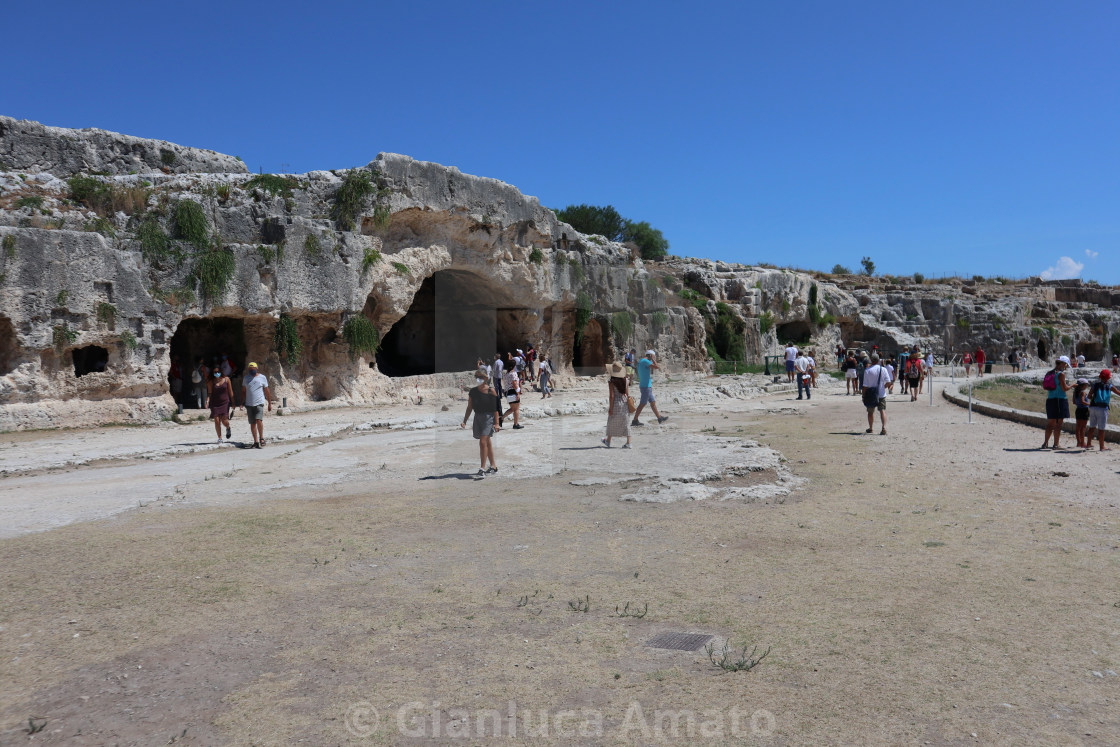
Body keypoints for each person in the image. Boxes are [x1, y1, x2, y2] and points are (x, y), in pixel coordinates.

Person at [460, 368, 500, 475]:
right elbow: (469, 407)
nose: (478, 379)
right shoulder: (473, 392)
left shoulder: (491, 391)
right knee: (487, 442)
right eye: (477, 377)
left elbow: (496, 409)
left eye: (481, 377)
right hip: (477, 418)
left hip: (489, 419)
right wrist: (464, 421)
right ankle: (493, 466)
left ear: (486, 378)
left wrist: (497, 423)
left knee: (482, 442)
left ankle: (482, 468)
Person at [1041, 356, 1072, 449]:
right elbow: (1064, 388)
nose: (1066, 367)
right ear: (1063, 364)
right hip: (1060, 400)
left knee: (1050, 423)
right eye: (1066, 365)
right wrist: (1072, 385)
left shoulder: (1049, 373)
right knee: (1058, 424)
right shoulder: (1061, 374)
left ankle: (1045, 443)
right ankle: (1056, 444)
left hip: (1050, 399)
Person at [1086, 369, 1120, 451]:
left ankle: (1088, 443)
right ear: (1108, 377)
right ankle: (1102, 446)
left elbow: (1089, 396)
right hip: (1103, 408)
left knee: (1092, 427)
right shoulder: (1109, 385)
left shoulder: (1095, 385)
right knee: (1101, 428)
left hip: (1093, 407)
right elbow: (1118, 392)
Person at [632, 350, 668, 426]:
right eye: (653, 356)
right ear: (651, 355)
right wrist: (654, 360)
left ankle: (659, 418)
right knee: (642, 403)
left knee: (652, 402)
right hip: (646, 386)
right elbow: (657, 367)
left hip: (645, 385)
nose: (654, 357)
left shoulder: (641, 361)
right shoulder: (645, 361)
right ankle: (635, 420)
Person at [602, 362, 632, 449]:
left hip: (615, 402)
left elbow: (611, 396)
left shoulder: (611, 382)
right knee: (626, 422)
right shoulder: (626, 380)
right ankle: (628, 443)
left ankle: (608, 441)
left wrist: (610, 408)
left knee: (611, 421)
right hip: (624, 401)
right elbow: (627, 393)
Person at [242, 362, 272, 449]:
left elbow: (267, 390)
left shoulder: (262, 378)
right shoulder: (246, 378)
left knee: (259, 420)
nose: (252, 371)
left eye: (253, 369)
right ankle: (255, 441)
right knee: (252, 423)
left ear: (257, 368)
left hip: (259, 403)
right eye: (251, 370)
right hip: (249, 404)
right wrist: (241, 402)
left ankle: (261, 438)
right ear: (248, 370)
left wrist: (270, 403)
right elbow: (243, 391)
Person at [862, 353, 890, 435]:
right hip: (881, 394)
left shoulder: (867, 370)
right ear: (878, 360)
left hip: (870, 394)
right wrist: (883, 387)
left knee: (870, 412)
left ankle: (871, 428)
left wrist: (863, 395)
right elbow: (888, 382)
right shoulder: (883, 369)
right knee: (882, 411)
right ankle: (884, 427)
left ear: (871, 360)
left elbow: (865, 386)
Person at [209, 368, 236, 444]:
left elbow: (230, 391)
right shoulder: (211, 381)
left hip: (225, 403)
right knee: (217, 421)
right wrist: (207, 401)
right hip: (215, 403)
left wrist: (233, 402)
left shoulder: (227, 379)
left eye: (218, 372)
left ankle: (228, 427)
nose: (216, 373)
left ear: (221, 372)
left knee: (224, 421)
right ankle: (220, 438)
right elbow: (209, 393)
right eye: (215, 372)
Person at [503, 363, 523, 429]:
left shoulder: (506, 374)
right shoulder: (513, 373)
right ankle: (516, 424)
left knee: (512, 409)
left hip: (508, 392)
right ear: (514, 366)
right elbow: (514, 383)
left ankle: (501, 418)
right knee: (516, 409)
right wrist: (518, 393)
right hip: (513, 391)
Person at [1073, 378, 1091, 448]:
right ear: (1083, 385)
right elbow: (1082, 401)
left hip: (1078, 410)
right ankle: (1083, 442)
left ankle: (1078, 442)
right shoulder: (1083, 392)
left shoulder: (1075, 392)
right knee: (1083, 427)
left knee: (1078, 427)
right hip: (1084, 410)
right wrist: (1089, 404)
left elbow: (1074, 402)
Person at [492, 353, 505, 424]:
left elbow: (494, 369)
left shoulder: (496, 362)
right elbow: (502, 368)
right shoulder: (502, 362)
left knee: (496, 386)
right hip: (500, 375)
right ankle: (500, 395)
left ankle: (497, 395)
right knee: (500, 386)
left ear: (496, 357)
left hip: (496, 375)